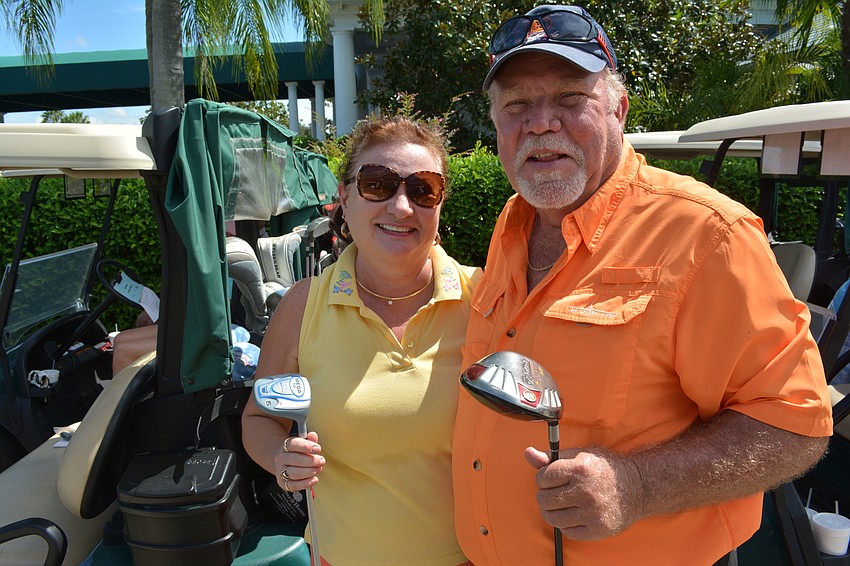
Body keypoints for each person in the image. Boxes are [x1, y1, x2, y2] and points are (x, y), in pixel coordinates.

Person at [452, 5, 833, 565]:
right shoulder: (513, 222)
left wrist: (636, 485)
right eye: (517, 105)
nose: (539, 122)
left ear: (618, 108)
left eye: (568, 98)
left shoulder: (706, 234)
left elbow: (796, 424)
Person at [242, 116, 479, 565]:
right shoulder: (302, 305)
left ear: (440, 204)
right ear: (345, 199)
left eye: (422, 189)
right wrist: (280, 457)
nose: (402, 207)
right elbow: (259, 418)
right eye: (378, 184)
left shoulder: (484, 298)